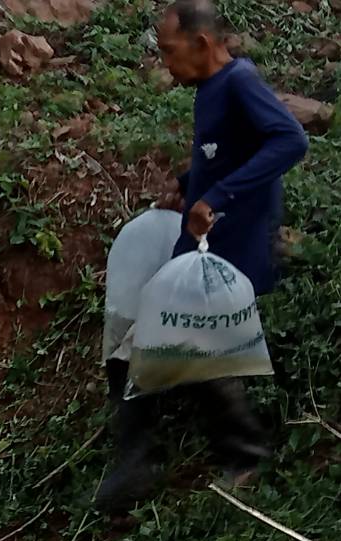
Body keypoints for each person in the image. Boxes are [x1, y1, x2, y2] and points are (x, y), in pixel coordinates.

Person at [97, 0, 308, 512]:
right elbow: (226, 153)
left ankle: (246, 456)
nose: (165, 64)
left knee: (196, 343)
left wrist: (216, 198)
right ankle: (134, 453)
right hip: (205, 239)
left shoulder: (239, 83)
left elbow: (290, 140)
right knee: (162, 329)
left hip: (235, 243)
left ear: (202, 44)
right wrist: (186, 186)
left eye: (170, 51)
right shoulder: (210, 89)